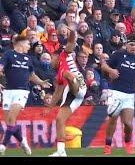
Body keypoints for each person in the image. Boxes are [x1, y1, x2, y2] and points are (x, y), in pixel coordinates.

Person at [0, 36, 52, 155]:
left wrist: (41, 82)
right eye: (28, 44)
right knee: (10, 122)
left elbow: (31, 75)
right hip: (8, 92)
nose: (29, 47)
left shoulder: (28, 59)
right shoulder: (8, 55)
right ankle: (22, 141)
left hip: (22, 91)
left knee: (12, 118)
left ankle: (2, 145)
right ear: (21, 44)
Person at [45, 27, 87, 156]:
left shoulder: (64, 55)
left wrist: (73, 32)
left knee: (68, 74)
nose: (49, 61)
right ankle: (61, 151)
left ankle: (73, 81)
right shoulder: (59, 75)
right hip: (74, 94)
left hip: (79, 85)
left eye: (51, 58)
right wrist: (50, 107)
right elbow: (58, 93)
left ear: (56, 56)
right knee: (59, 119)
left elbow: (70, 44)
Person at [100, 39, 135, 155]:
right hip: (115, 92)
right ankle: (107, 145)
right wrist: (111, 70)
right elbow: (104, 65)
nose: (133, 47)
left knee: (128, 123)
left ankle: (128, 142)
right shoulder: (119, 54)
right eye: (131, 44)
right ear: (127, 45)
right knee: (112, 120)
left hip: (129, 94)